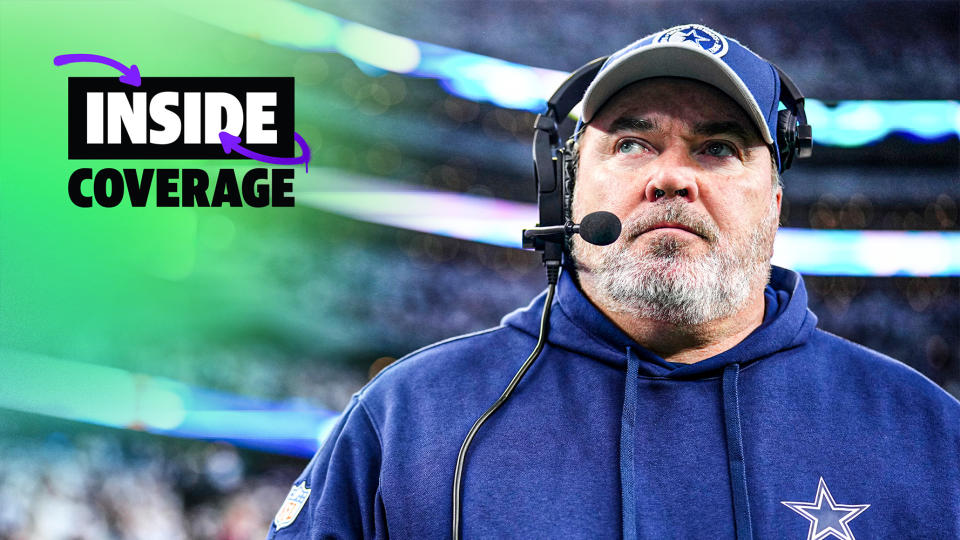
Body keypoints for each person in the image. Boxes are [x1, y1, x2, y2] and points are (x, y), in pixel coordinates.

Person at [266, 24, 960, 540]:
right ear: (565, 188)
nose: (671, 177)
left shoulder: (929, 438)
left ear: (774, 202)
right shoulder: (404, 423)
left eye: (718, 148)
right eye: (632, 143)